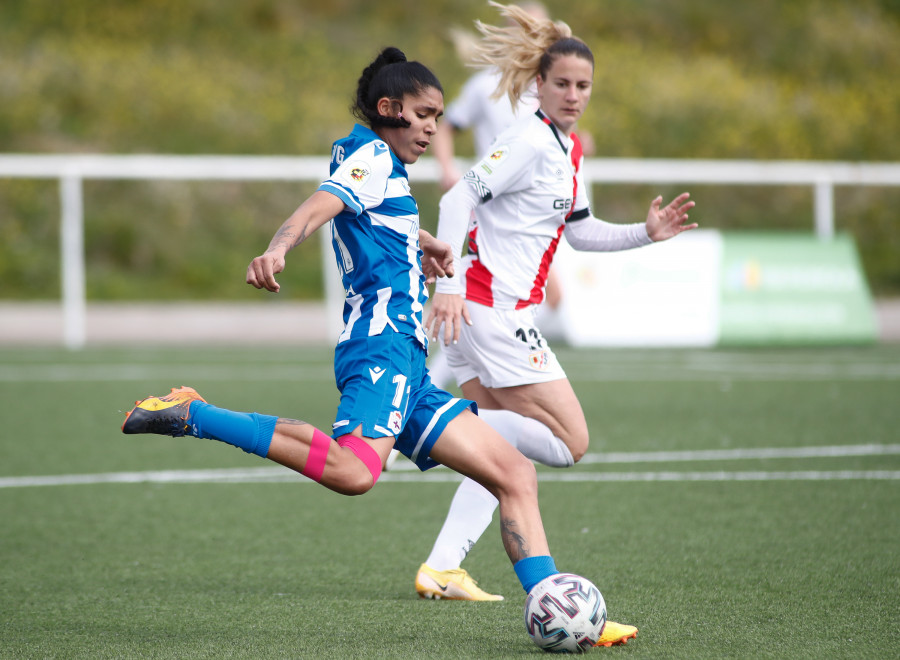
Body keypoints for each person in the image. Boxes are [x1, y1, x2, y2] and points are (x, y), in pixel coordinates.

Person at [118, 46, 637, 647]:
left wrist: (425, 243)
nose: (432, 128)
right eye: (423, 114)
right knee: (353, 473)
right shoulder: (368, 153)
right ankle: (193, 414)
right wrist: (278, 247)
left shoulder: (378, 163)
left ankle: (560, 608)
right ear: (389, 108)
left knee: (514, 473)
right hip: (381, 345)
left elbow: (369, 218)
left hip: (408, 360)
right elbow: (324, 204)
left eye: (439, 117)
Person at [414, 3, 696, 637]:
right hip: (492, 315)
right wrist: (453, 284)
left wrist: (646, 234)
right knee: (571, 443)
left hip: (491, 314)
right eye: (562, 83)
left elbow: (582, 233)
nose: (573, 95)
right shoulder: (528, 140)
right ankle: (428, 421)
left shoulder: (567, 150)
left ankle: (441, 565)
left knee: (502, 449)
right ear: (538, 86)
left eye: (583, 86)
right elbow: (458, 195)